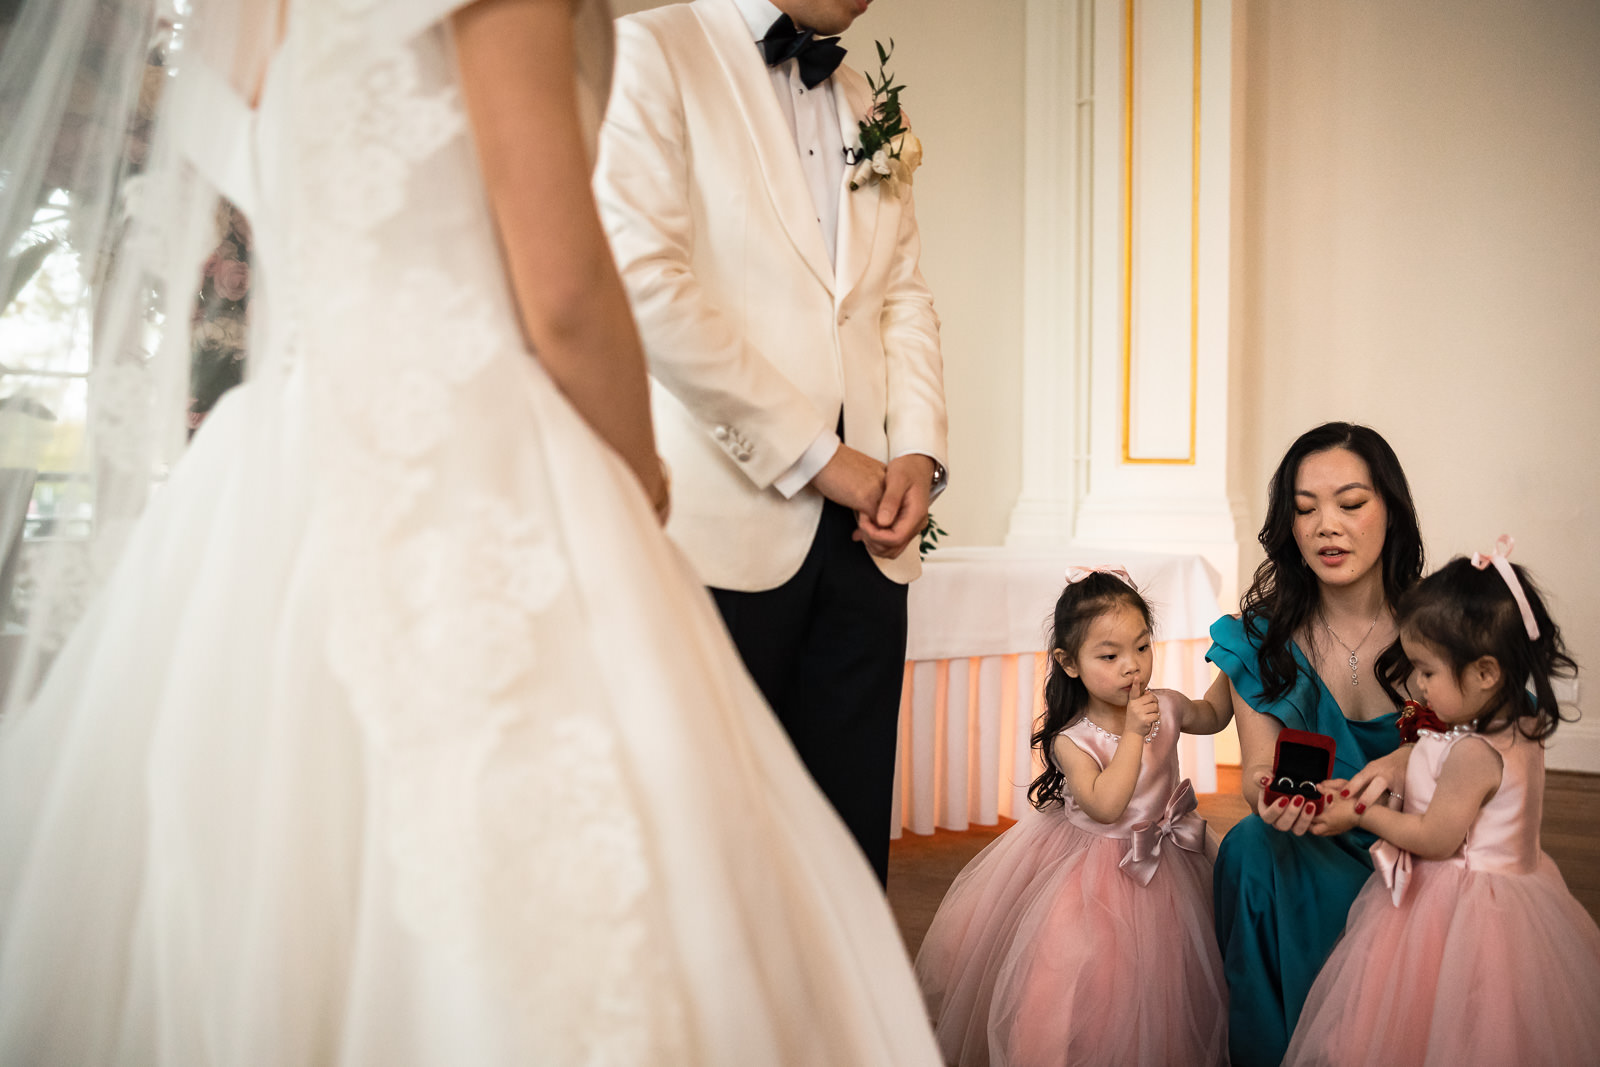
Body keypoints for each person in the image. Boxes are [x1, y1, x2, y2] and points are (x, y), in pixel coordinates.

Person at [0, 0, 943, 1062]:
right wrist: (631, 471)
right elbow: (573, 291)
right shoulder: (625, 33)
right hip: (485, 452)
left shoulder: (231, 15)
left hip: (279, 462)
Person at [593, 0, 948, 885]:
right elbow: (643, 283)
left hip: (872, 538)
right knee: (715, 849)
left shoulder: (867, 97)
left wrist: (917, 452)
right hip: (724, 524)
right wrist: (817, 458)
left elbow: (901, 295)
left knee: (847, 842)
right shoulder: (653, 50)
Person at [1285, 539, 1600, 1065]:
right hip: (1507, 889)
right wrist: (1370, 786)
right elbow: (1430, 776)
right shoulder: (1510, 728)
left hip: (1462, 908)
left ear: (1484, 674)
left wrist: (1362, 813)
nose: (1418, 685)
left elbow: (1436, 837)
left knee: (1457, 1023)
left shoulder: (1475, 754)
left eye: (1427, 671)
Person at [914, 568, 1233, 1067]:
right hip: (1095, 870)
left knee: (1168, 978)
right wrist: (1132, 734)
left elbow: (1212, 715)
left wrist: (1233, 663)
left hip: (1169, 861)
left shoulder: (1165, 706)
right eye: (1110, 656)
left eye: (1143, 647)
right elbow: (1106, 804)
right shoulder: (1073, 739)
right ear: (1069, 663)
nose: (1133, 667)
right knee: (1092, 978)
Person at [1191, 422, 1424, 1066]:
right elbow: (1260, 766)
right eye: (1305, 508)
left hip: (1413, 842)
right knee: (1248, 847)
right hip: (1308, 835)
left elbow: (1489, 743)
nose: (1327, 525)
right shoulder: (1262, 636)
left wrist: (1408, 765)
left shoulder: (1438, 624)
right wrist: (1269, 796)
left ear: (1390, 510)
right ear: (1288, 526)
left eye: (1350, 504)